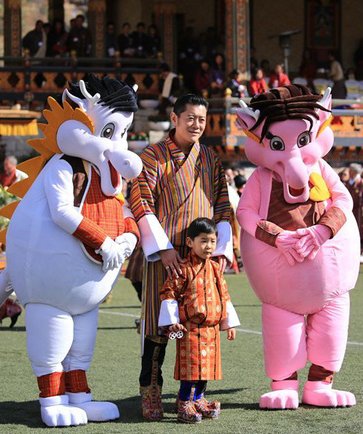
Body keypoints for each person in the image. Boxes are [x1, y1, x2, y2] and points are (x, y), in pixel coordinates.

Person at [129, 94, 233, 421]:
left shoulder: (210, 157)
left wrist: (221, 251)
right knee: (161, 329)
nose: (196, 125)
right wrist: (163, 248)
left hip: (201, 260)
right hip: (167, 256)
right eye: (190, 118)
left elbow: (222, 205)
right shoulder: (153, 155)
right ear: (174, 119)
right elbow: (141, 202)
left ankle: (194, 396)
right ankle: (151, 391)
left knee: (199, 327)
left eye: (201, 119)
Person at [158, 218, 239, 423]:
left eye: (212, 241)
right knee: (192, 370)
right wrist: (171, 322)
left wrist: (228, 323)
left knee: (207, 370)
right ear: (189, 242)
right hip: (190, 329)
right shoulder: (183, 269)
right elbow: (169, 293)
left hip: (211, 330)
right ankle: (184, 402)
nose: (208, 246)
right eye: (203, 241)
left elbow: (224, 294)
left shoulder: (215, 269)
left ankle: (199, 399)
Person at [345, 163, 363, 262]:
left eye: (350, 170)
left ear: (355, 171)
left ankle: (362, 251)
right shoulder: (348, 183)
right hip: (350, 210)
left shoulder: (362, 183)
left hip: (360, 209)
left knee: (362, 229)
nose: (349, 172)